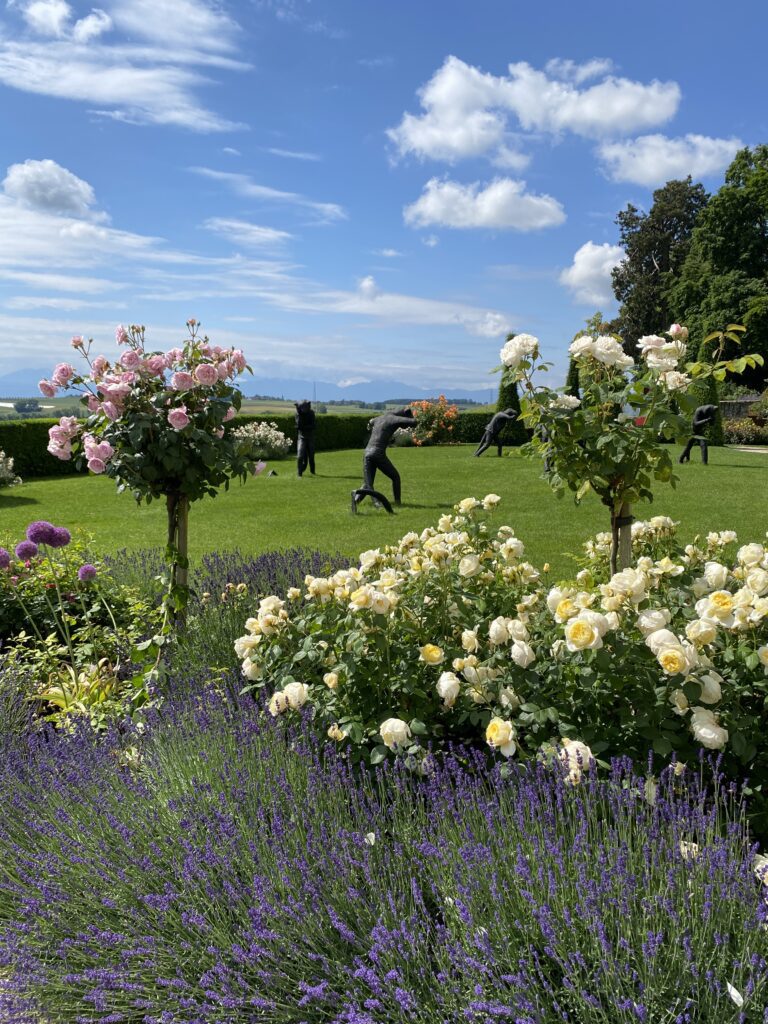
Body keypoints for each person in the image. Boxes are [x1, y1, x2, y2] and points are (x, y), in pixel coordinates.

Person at [360, 407, 416, 505]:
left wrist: (371, 423)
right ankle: (395, 502)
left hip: (367, 453)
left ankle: (355, 502)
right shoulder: (393, 418)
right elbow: (413, 422)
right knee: (395, 477)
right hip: (377, 453)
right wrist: (411, 416)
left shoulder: (379, 418)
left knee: (368, 483)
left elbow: (371, 422)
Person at [294, 400, 316, 477]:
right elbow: (299, 426)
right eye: (301, 408)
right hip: (301, 437)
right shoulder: (298, 414)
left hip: (310, 437)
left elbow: (313, 426)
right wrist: (299, 413)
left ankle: (312, 471)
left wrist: (304, 427)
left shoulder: (311, 413)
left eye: (304, 407)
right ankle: (299, 473)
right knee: (300, 456)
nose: (303, 409)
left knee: (311, 456)